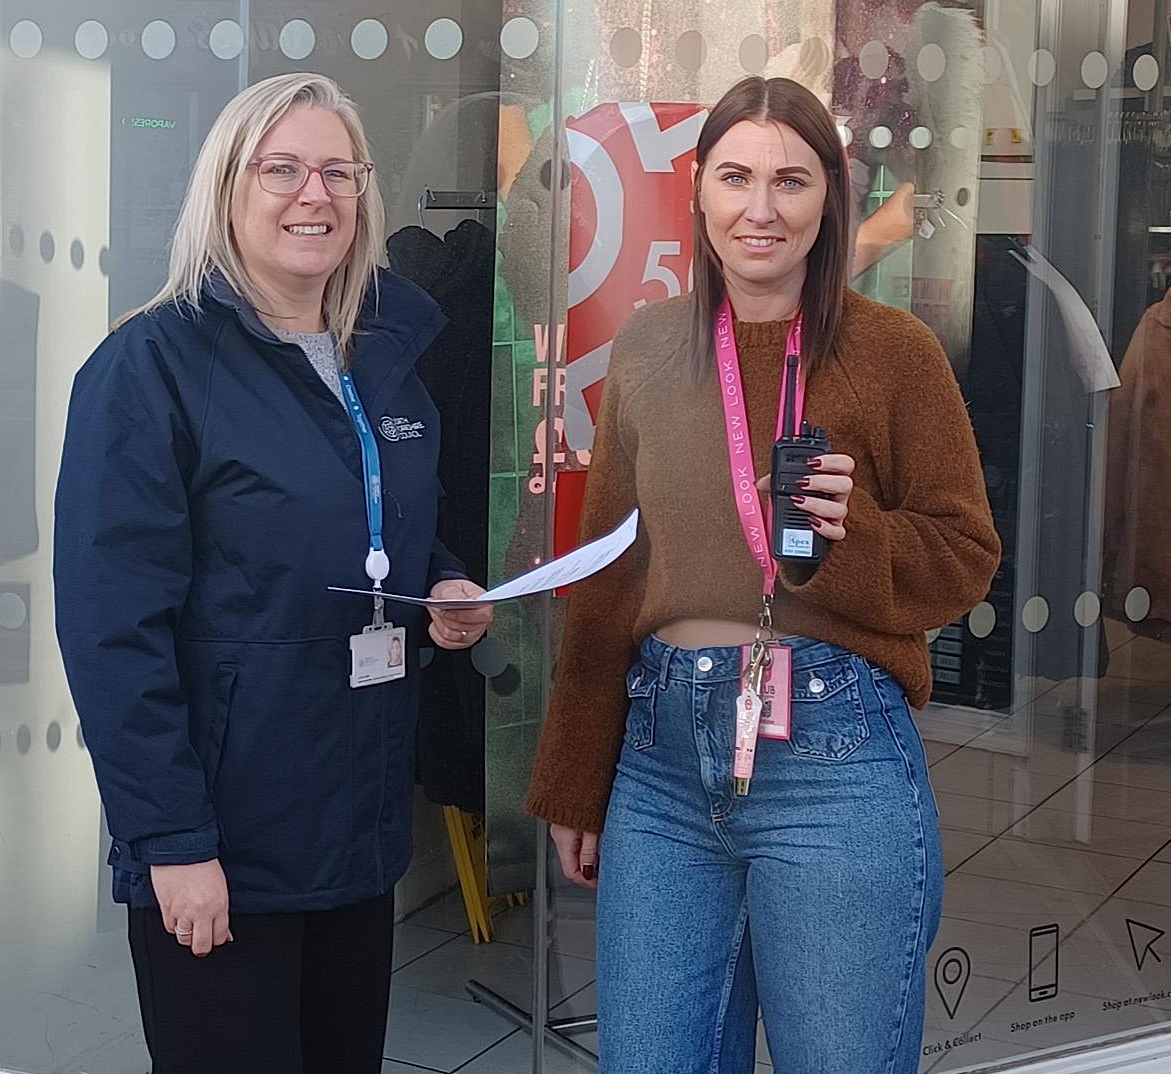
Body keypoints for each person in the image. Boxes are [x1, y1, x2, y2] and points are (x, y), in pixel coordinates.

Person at [524, 75, 1000, 1074]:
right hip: (657, 767)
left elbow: (965, 554)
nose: (761, 208)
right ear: (698, 191)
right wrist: (578, 778)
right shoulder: (652, 346)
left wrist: (855, 537)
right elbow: (609, 577)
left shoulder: (893, 352)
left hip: (832, 759)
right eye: (736, 177)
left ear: (830, 195)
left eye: (791, 180)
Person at [53, 73, 493, 1074]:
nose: (315, 194)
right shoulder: (149, 371)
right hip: (225, 844)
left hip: (356, 826)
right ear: (226, 191)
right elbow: (112, 630)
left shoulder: (384, 360)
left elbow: (389, 541)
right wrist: (171, 841)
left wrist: (445, 593)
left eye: (338, 171)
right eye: (283, 169)